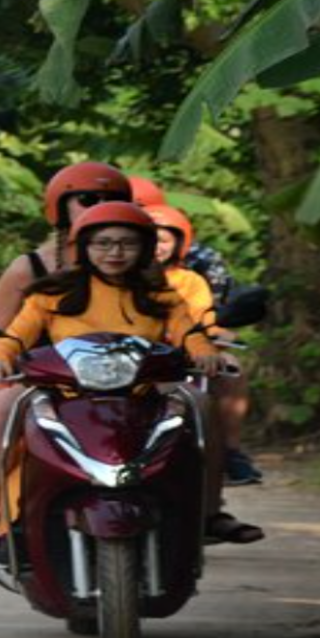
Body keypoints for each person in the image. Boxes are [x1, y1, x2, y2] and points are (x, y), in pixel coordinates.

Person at [0, 202, 264, 547]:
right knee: (3, 412)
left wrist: (205, 354)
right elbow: (13, 335)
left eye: (127, 243)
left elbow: (190, 333)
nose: (115, 252)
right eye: (104, 243)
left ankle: (210, 513)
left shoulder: (162, 295)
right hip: (62, 392)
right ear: (85, 248)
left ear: (144, 248)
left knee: (200, 403)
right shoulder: (51, 293)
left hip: (146, 392)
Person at [0, 161, 133, 547]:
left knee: (194, 405)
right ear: (59, 207)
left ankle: (204, 511)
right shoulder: (29, 268)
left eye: (110, 200)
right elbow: (0, 334)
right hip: (45, 382)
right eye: (87, 199)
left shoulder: (140, 267)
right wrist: (0, 379)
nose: (98, 206)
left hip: (131, 379)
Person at [132, 176, 262, 486]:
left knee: (230, 369)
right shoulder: (91, 257)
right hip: (113, 353)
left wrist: (214, 331)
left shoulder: (194, 271)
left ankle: (228, 453)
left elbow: (202, 315)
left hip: (184, 348)